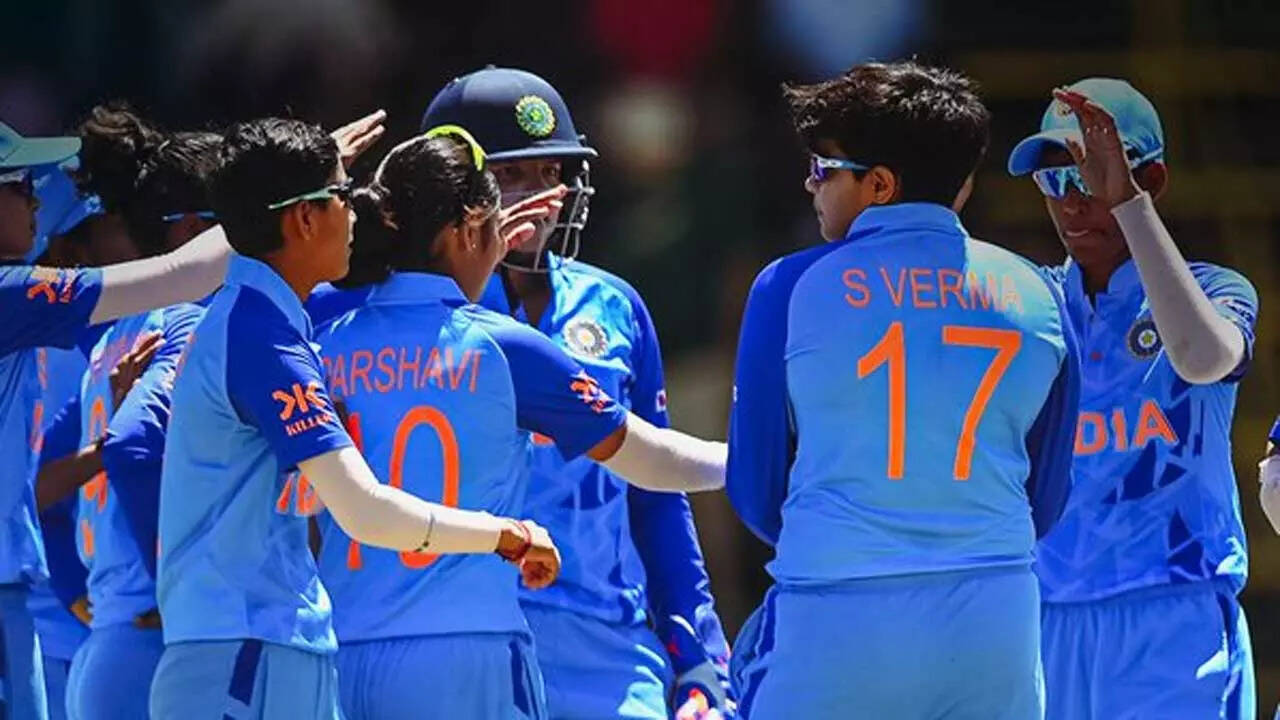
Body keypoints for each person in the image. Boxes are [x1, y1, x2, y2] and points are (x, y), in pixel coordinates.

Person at [148, 117, 565, 720]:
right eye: (343, 195)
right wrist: (507, 535)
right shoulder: (264, 339)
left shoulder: (264, 322)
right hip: (246, 652)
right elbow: (365, 510)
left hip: (257, 647)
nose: (360, 211)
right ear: (304, 219)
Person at [0, 110, 383, 720]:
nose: (36, 200)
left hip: (97, 630)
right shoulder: (22, 298)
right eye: (18, 184)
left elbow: (48, 478)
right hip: (168, 634)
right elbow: (177, 278)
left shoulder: (110, 339)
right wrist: (282, 198)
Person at [725, 60, 1079, 718]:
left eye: (823, 169)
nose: (810, 184)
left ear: (880, 185)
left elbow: (755, 487)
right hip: (995, 614)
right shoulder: (1040, 291)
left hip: (838, 607)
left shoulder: (788, 286)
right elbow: (1051, 491)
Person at [420, 66, 732, 720]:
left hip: (608, 645)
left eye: (550, 173)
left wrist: (697, 651)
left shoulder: (614, 304)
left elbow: (654, 497)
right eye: (510, 175)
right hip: (461, 636)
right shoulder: (404, 313)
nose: (540, 197)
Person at [1008, 79, 1257, 720]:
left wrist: (1126, 205)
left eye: (1087, 177)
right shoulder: (1031, 302)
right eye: (1052, 181)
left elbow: (1203, 359)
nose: (1070, 202)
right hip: (1045, 620)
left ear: (1153, 180)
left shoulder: (1214, 289)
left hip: (1175, 618)